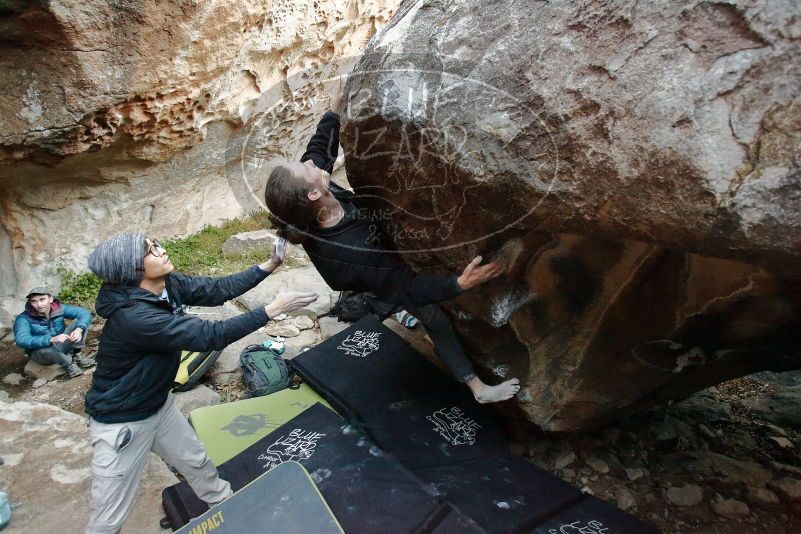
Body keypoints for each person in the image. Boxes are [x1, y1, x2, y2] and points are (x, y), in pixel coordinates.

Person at [264, 107, 520, 404]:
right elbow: (406, 285)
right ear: (312, 195)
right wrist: (458, 284)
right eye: (303, 168)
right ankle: (478, 389)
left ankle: (391, 306)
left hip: (379, 262)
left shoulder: (314, 192)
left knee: (396, 295)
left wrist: (336, 108)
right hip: (375, 276)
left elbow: (320, 147)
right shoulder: (348, 252)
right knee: (434, 317)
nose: (308, 163)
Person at [83, 232, 316, 533]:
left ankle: (229, 509)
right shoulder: (134, 317)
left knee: (196, 461)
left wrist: (269, 265)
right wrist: (272, 310)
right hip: (122, 423)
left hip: (158, 405)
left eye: (156, 243)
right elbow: (210, 336)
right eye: (151, 251)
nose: (162, 249)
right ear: (133, 269)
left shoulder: (166, 286)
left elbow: (216, 289)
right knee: (109, 515)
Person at [13, 286, 95, 378]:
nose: (39, 305)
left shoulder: (58, 308)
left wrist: (79, 329)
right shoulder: (23, 318)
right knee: (48, 349)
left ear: (50, 299)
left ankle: (76, 354)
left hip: (60, 344)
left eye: (42, 299)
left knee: (79, 322)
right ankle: (69, 363)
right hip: (41, 353)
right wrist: (50, 339)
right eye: (34, 301)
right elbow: (21, 340)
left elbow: (85, 313)